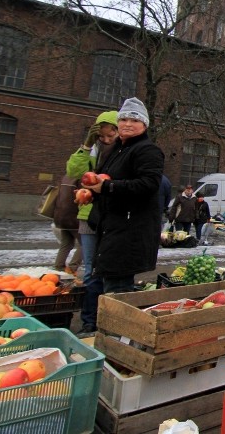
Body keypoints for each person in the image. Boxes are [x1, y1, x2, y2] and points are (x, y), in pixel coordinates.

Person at [83, 97, 164, 294]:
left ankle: (116, 324)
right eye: (124, 119)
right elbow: (104, 179)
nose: (128, 124)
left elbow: (149, 184)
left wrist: (107, 187)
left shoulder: (147, 150)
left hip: (129, 230)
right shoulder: (117, 150)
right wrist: (90, 192)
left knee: (118, 289)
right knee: (110, 283)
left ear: (144, 125)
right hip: (112, 226)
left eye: (134, 120)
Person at [66, 110, 119, 335]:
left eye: (111, 135)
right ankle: (89, 320)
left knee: (108, 269)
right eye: (102, 136)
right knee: (90, 270)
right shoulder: (92, 153)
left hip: (112, 216)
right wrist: (86, 146)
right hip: (88, 216)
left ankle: (106, 319)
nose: (106, 140)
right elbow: (73, 171)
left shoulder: (123, 153)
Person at [52, 174, 82, 276]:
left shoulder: (65, 176)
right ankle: (72, 268)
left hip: (61, 216)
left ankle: (58, 267)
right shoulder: (82, 178)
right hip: (73, 217)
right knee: (84, 244)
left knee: (66, 243)